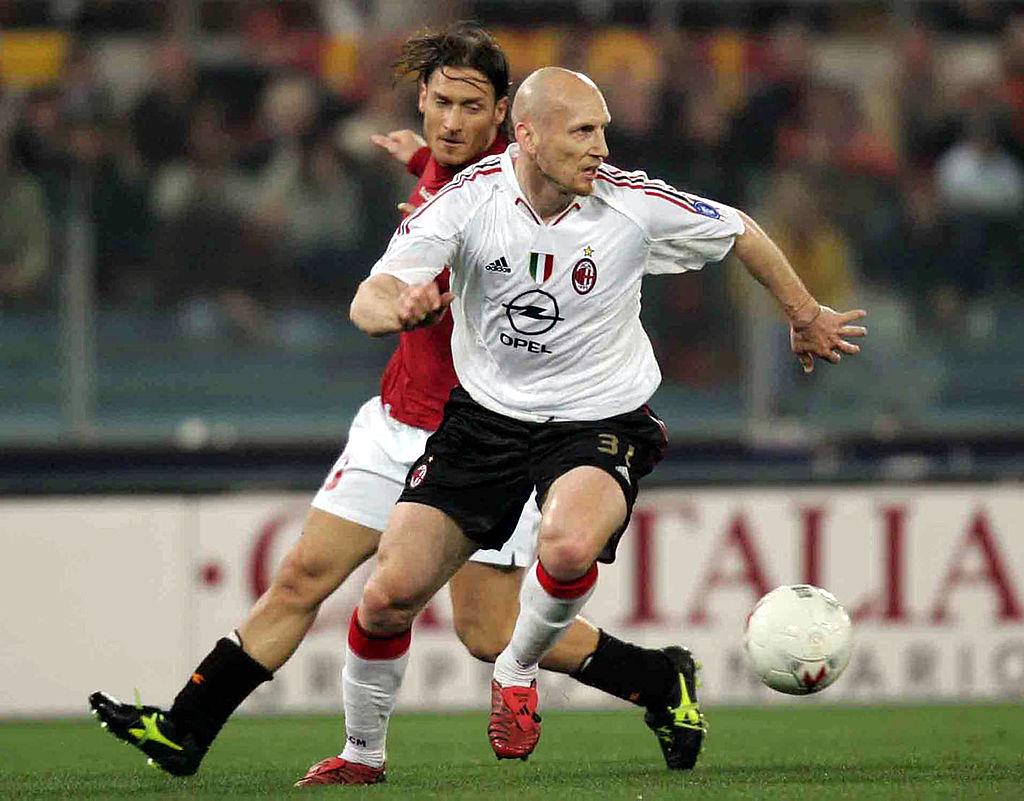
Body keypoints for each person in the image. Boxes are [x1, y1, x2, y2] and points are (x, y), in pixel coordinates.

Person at [89, 25, 699, 783]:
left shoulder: (520, 186)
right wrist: (415, 176)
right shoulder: (443, 173)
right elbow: (395, 264)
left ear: (506, 118)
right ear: (422, 99)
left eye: (471, 108)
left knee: (488, 630)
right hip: (397, 420)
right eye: (440, 102)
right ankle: (186, 728)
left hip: (485, 438)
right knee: (304, 576)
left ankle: (657, 679)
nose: (452, 122)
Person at [329, 66, 868, 785]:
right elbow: (373, 291)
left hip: (599, 417)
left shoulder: (630, 203)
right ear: (528, 136)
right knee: (387, 596)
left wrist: (804, 313)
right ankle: (360, 756)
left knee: (568, 543)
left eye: (603, 129)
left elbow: (740, 228)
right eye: (583, 131)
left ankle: (517, 672)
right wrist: (393, 312)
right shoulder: (469, 199)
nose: (600, 147)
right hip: (485, 421)